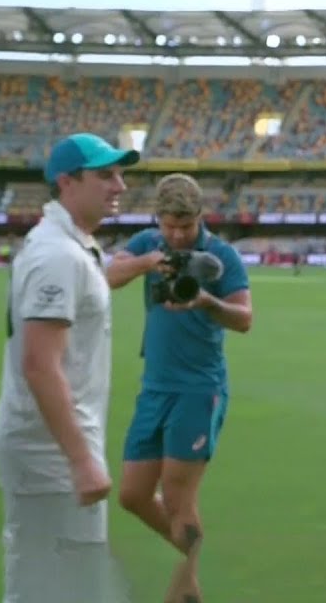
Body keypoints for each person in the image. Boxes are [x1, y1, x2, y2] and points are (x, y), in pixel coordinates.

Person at [0, 132, 140, 602]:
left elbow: (87, 289)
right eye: (105, 175)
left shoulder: (72, 247)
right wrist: (80, 461)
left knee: (63, 579)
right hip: (49, 451)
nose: (119, 185)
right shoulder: (56, 255)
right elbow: (39, 365)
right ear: (67, 183)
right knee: (50, 583)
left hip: (54, 443)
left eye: (120, 174)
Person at [105, 173, 253, 603]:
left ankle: (186, 586)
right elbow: (110, 275)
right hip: (154, 387)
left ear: (199, 219)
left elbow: (244, 318)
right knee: (132, 494)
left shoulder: (220, 254)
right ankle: (190, 550)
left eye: (185, 227)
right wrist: (148, 262)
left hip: (198, 388)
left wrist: (207, 302)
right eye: (169, 226)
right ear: (158, 220)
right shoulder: (149, 244)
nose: (177, 235)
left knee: (176, 495)